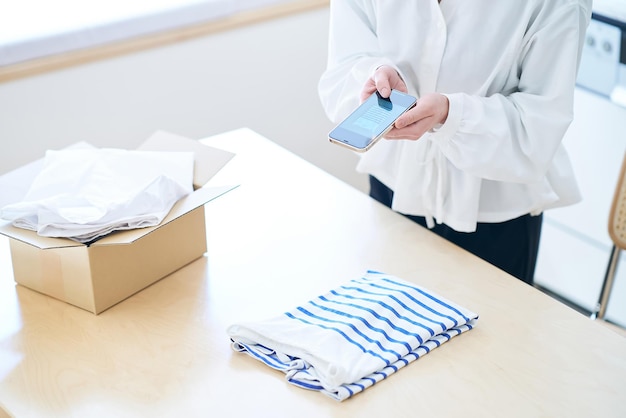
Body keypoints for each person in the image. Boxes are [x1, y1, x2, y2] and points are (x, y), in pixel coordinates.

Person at [318, 0, 592, 285]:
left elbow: (537, 127)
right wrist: (375, 75)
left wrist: (453, 116)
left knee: (495, 327)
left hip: (494, 214)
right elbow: (344, 63)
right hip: (393, 188)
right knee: (379, 320)